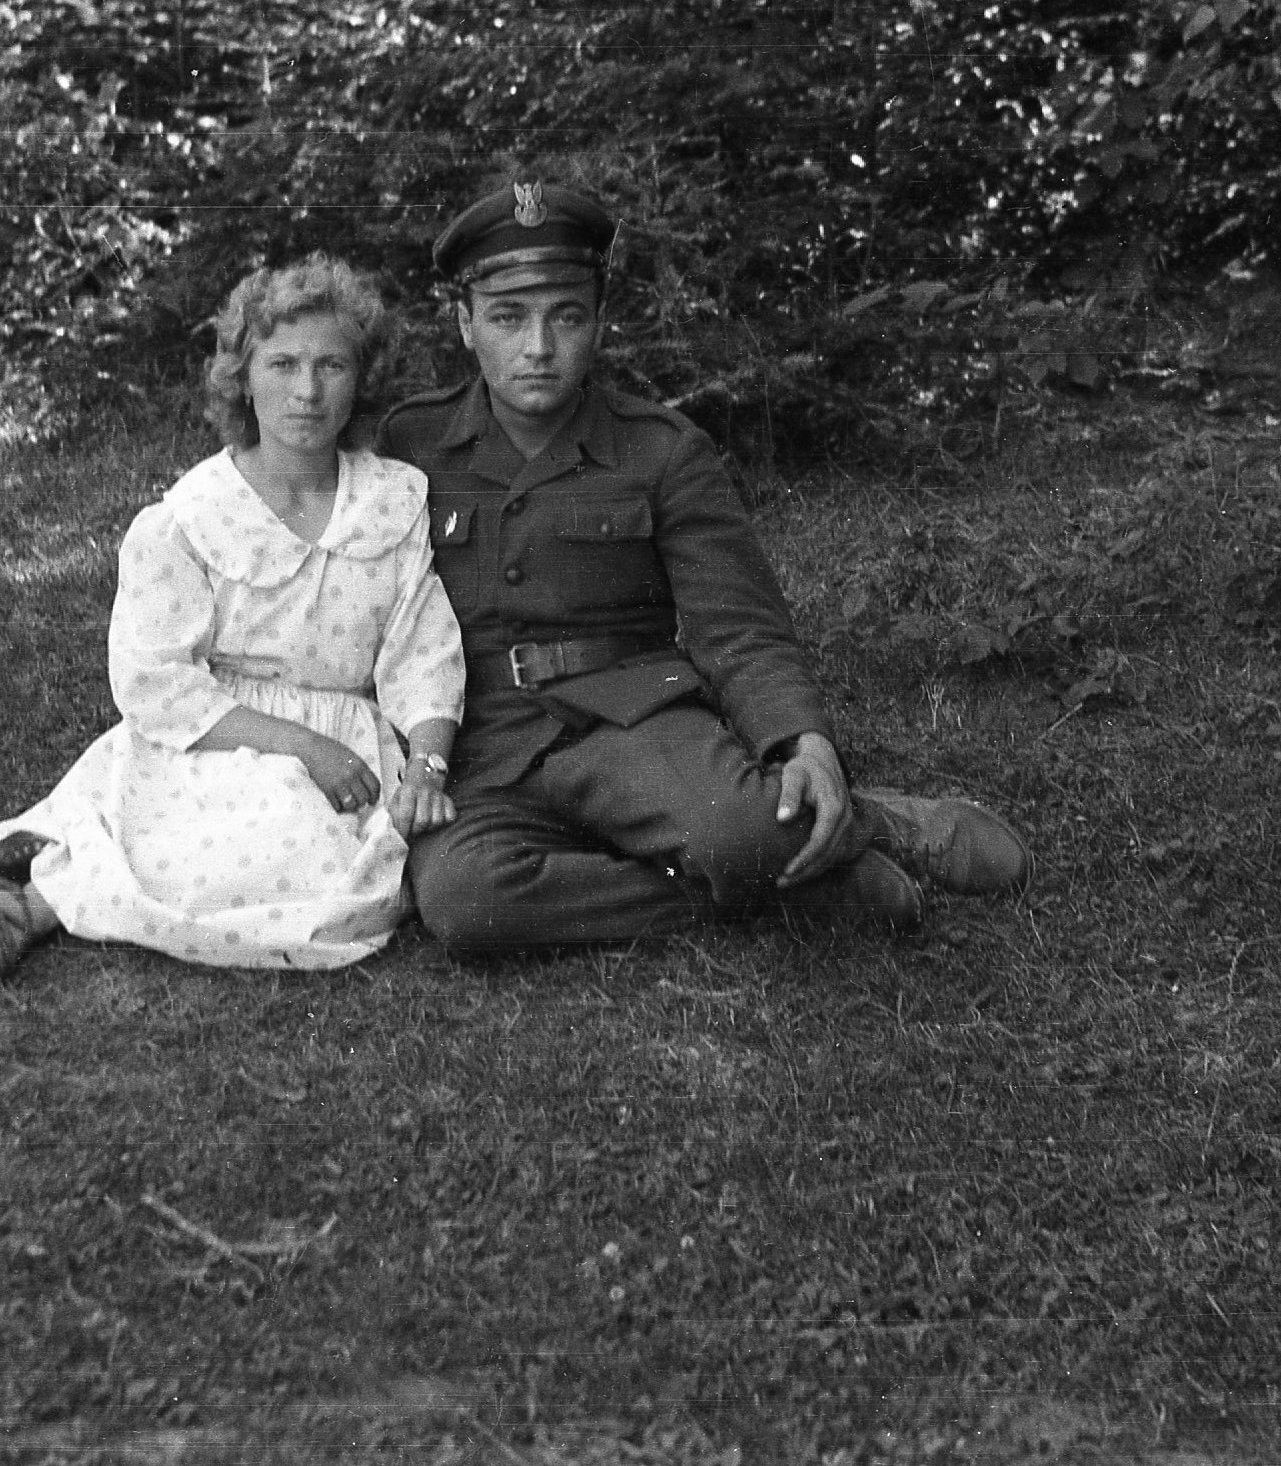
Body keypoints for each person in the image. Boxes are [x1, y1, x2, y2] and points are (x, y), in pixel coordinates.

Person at [375, 178, 1030, 952]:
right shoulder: (409, 446)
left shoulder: (661, 449)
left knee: (743, 829)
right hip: (480, 746)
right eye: (508, 317)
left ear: (600, 320)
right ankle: (799, 891)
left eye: (567, 316)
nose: (539, 347)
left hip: (629, 718)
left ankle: (878, 821)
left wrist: (804, 745)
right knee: (465, 903)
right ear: (465, 323)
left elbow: (739, 627)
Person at [0, 256, 465, 976]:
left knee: (334, 874)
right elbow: (158, 684)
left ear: (360, 379)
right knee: (231, 835)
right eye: (282, 365)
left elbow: (423, 652)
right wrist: (303, 747)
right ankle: (36, 902)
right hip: (217, 734)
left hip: (349, 737)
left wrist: (427, 767)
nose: (307, 391)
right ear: (244, 378)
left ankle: (50, 878)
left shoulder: (391, 503)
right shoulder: (191, 519)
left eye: (331, 365)